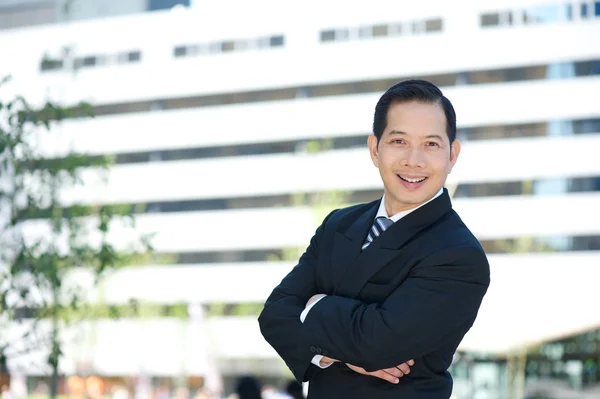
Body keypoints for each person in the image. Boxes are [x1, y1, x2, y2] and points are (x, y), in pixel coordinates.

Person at [258, 79, 490, 398]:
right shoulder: (338, 224)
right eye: (399, 141)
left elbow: (378, 344)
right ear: (374, 149)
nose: (414, 160)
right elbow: (274, 314)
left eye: (431, 144)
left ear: (452, 154)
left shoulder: (458, 253)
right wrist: (340, 351)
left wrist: (314, 305)